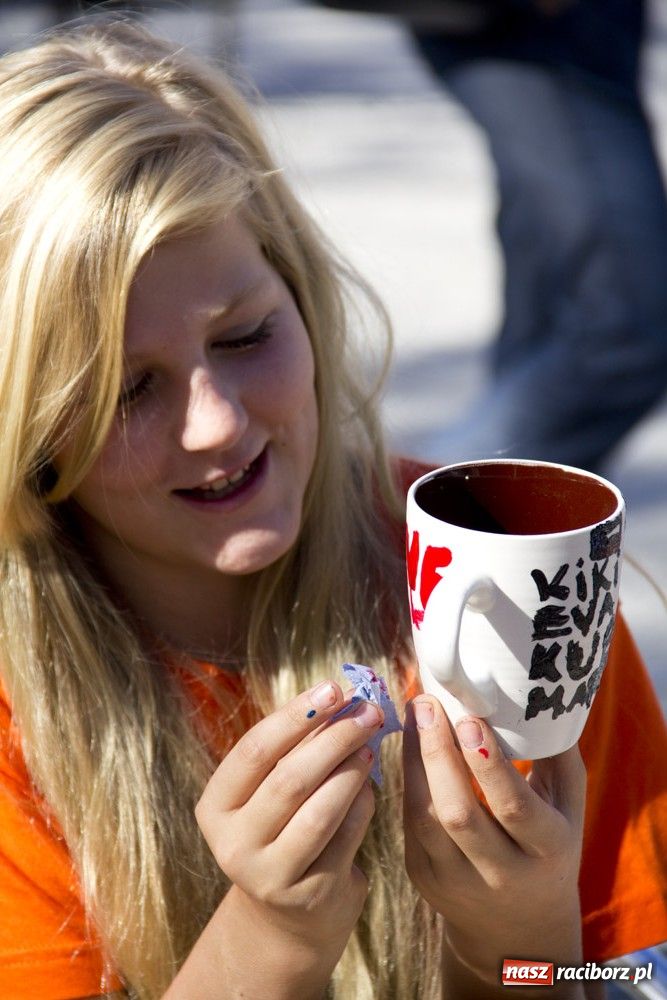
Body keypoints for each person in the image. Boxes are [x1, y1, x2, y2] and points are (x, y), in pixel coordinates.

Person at [0, 17, 664, 1000]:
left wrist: (517, 943)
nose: (215, 424)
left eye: (245, 336)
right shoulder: (21, 703)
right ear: (32, 430)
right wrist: (267, 940)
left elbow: (625, 975)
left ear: (304, 302)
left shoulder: (512, 584)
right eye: (129, 390)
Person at [408, 0, 667, 471]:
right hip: (532, 32)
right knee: (630, 328)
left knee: (547, 321)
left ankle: (497, 520)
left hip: (580, 30)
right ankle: (434, 513)